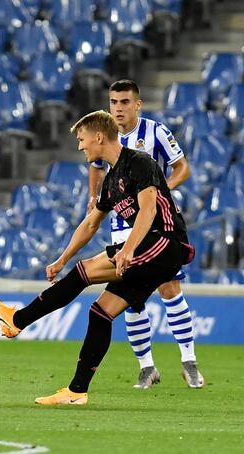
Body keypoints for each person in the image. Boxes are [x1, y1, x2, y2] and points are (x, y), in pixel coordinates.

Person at [0, 110, 195, 405]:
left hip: (165, 243)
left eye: (82, 139)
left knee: (85, 271)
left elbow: (149, 210)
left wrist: (128, 249)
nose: (80, 146)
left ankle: (17, 319)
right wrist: (61, 259)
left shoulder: (139, 162)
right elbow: (90, 224)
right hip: (149, 251)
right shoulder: (111, 180)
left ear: (99, 137)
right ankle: (77, 391)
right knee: (100, 312)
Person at [88, 80, 203, 389]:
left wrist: (162, 190)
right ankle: (146, 367)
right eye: (114, 102)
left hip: (156, 225)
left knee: (169, 287)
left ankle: (189, 361)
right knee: (130, 298)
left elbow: (182, 168)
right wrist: (93, 198)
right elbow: (96, 167)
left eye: (125, 102)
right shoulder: (106, 136)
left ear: (137, 104)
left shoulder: (156, 132)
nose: (118, 108)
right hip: (122, 225)